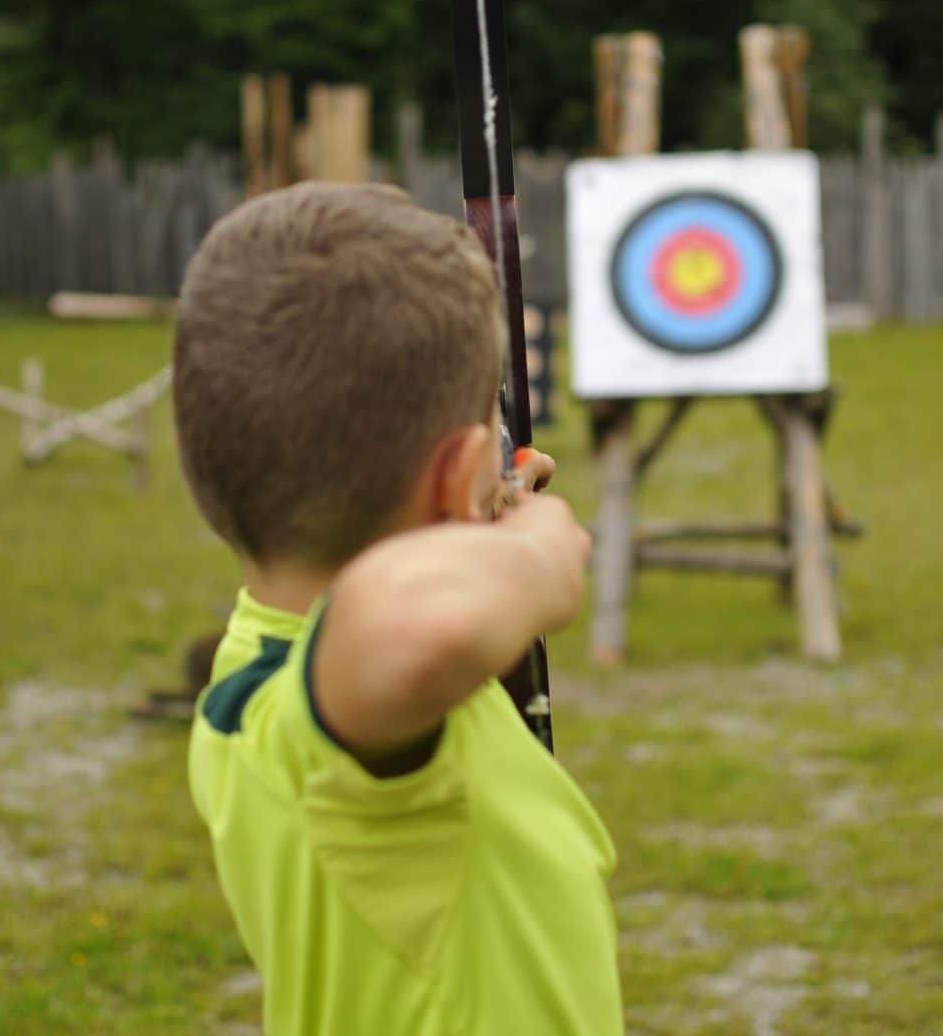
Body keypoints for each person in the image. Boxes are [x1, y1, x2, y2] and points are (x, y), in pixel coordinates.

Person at [178, 182, 622, 1035]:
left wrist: (468, 523)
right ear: (460, 478)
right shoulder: (333, 720)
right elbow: (416, 626)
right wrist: (531, 553)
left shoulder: (263, 654)